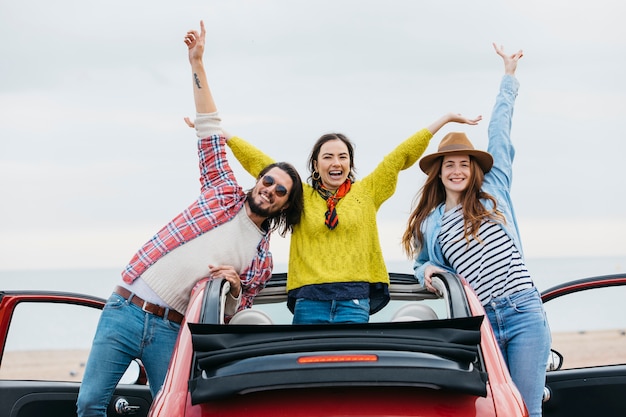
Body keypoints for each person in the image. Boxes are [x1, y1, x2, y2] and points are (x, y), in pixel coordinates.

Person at [76, 21, 303, 417]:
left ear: (284, 205)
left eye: (280, 190)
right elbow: (210, 130)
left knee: (176, 412)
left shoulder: (260, 260)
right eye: (268, 180)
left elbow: (233, 314)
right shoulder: (220, 193)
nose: (269, 189)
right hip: (126, 308)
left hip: (173, 331)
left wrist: (233, 288)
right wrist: (197, 62)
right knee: (90, 403)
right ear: (257, 180)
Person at [216, 71, 481, 324]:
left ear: (350, 163)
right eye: (328, 157)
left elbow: (400, 156)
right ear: (316, 165)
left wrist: (443, 119)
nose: (336, 162)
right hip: (309, 299)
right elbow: (261, 164)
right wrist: (224, 135)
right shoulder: (302, 195)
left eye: (343, 157)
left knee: (351, 369)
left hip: (353, 299)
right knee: (308, 366)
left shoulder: (367, 192)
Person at [401, 44, 551, 417]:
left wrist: (509, 77)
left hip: (523, 313)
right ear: (440, 171)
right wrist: (426, 272)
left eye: (464, 164)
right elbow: (423, 264)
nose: (457, 170)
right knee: (497, 411)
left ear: (474, 169)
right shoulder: (431, 222)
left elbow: (501, 130)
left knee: (527, 412)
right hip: (481, 326)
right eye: (449, 164)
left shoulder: (494, 190)